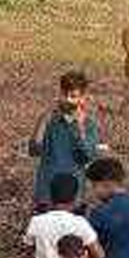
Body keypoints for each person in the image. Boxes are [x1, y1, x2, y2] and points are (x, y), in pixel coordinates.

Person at [28, 71, 102, 212]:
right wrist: (43, 120)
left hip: (73, 195)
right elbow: (33, 150)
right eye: (64, 95)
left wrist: (80, 128)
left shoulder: (89, 125)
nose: (68, 100)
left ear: (83, 98)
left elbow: (87, 156)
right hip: (47, 193)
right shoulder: (49, 121)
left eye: (73, 96)